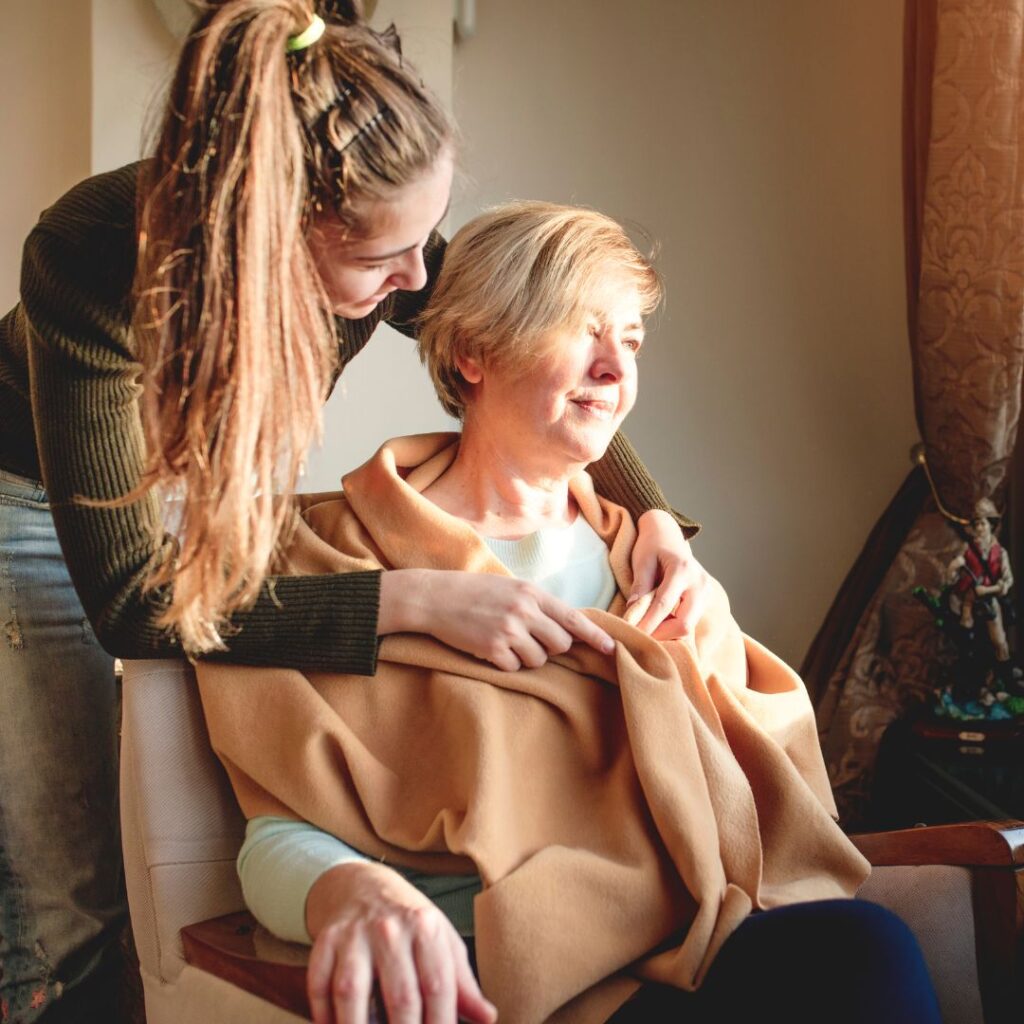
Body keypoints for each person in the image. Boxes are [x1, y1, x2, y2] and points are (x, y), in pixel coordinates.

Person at [0, 3, 707, 1020]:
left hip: (175, 471)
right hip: (19, 485)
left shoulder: (386, 224)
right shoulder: (91, 258)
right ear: (275, 234)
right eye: (387, 261)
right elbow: (130, 603)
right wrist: (407, 601)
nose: (417, 280)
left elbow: (498, 327)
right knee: (70, 884)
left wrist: (651, 517)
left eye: (426, 242)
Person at [195, 202, 942, 1024]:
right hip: (495, 969)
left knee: (865, 949)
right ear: (474, 352)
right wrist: (350, 889)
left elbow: (770, 805)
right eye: (582, 331)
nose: (616, 373)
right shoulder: (328, 560)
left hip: (688, 938)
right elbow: (276, 833)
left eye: (630, 341)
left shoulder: (655, 565)